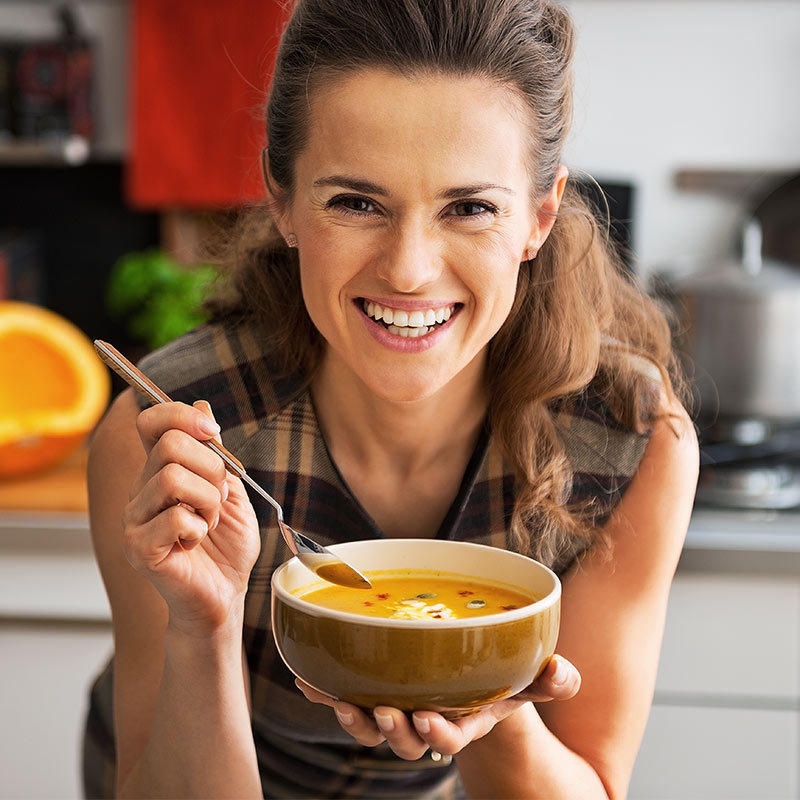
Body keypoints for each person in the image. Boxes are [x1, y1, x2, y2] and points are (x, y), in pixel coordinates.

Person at [82, 0, 699, 797]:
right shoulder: (172, 441)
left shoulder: (630, 439)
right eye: (356, 202)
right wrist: (202, 629)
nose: (409, 269)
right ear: (283, 200)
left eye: (470, 208)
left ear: (539, 218)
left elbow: (593, 784)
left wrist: (485, 685)